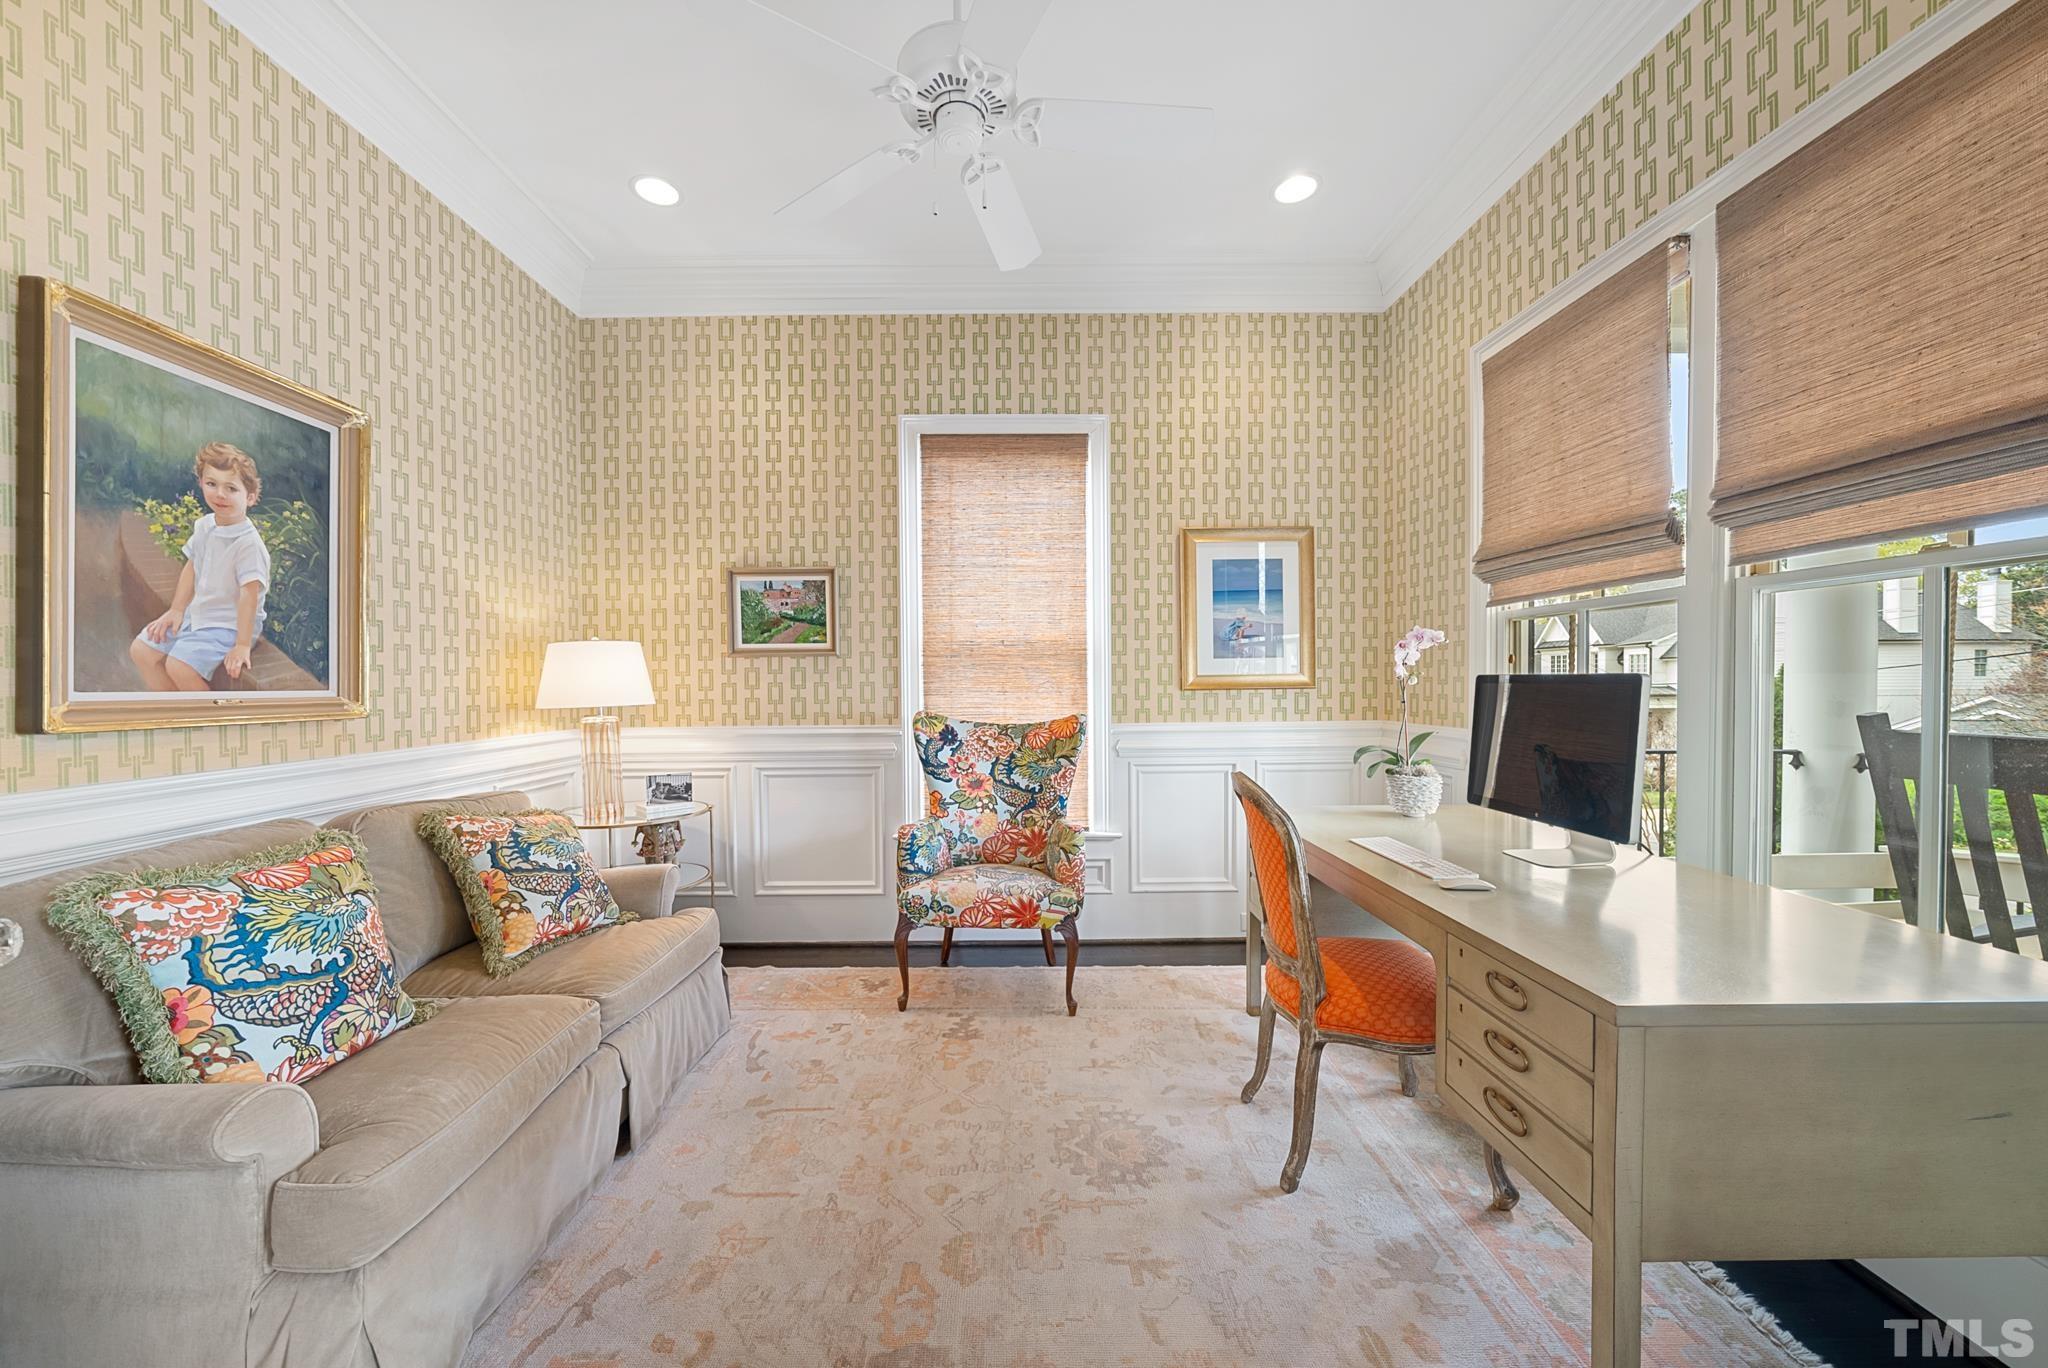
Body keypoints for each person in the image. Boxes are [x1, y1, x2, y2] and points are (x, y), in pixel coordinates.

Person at [129, 442, 271, 691]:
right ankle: (174, 712)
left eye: (231, 488)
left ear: (250, 497)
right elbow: (192, 566)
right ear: (201, 483)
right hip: (198, 616)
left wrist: (242, 645)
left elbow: (249, 596)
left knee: (178, 666)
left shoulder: (248, 545)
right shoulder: (205, 526)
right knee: (141, 650)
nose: (219, 494)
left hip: (229, 625)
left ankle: (206, 716)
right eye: (211, 484)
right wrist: (176, 610)